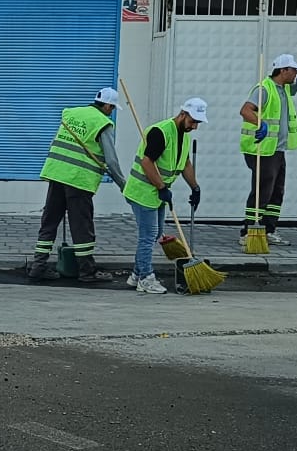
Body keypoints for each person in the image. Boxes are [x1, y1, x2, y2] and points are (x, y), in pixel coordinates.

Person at [28, 87, 123, 284]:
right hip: (78, 179)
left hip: (56, 173)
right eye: (112, 108)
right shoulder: (103, 123)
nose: (111, 112)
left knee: (49, 221)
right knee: (82, 226)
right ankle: (87, 272)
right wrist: (123, 184)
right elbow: (112, 161)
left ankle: (38, 266)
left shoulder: (71, 113)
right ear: (106, 105)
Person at [121, 97, 206, 296]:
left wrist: (195, 187)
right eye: (193, 121)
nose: (195, 127)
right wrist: (161, 187)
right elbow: (147, 163)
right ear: (183, 114)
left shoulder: (183, 135)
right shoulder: (160, 132)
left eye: (198, 123)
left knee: (155, 233)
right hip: (143, 191)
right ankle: (146, 278)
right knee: (149, 235)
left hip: (157, 192)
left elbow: (184, 163)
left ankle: (136, 273)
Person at [240, 54, 297, 245]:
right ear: (283, 70)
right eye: (294, 70)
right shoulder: (264, 89)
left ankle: (268, 229)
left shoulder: (283, 89)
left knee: (277, 191)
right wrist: (260, 123)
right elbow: (245, 110)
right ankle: (248, 231)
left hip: (277, 150)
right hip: (262, 149)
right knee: (262, 190)